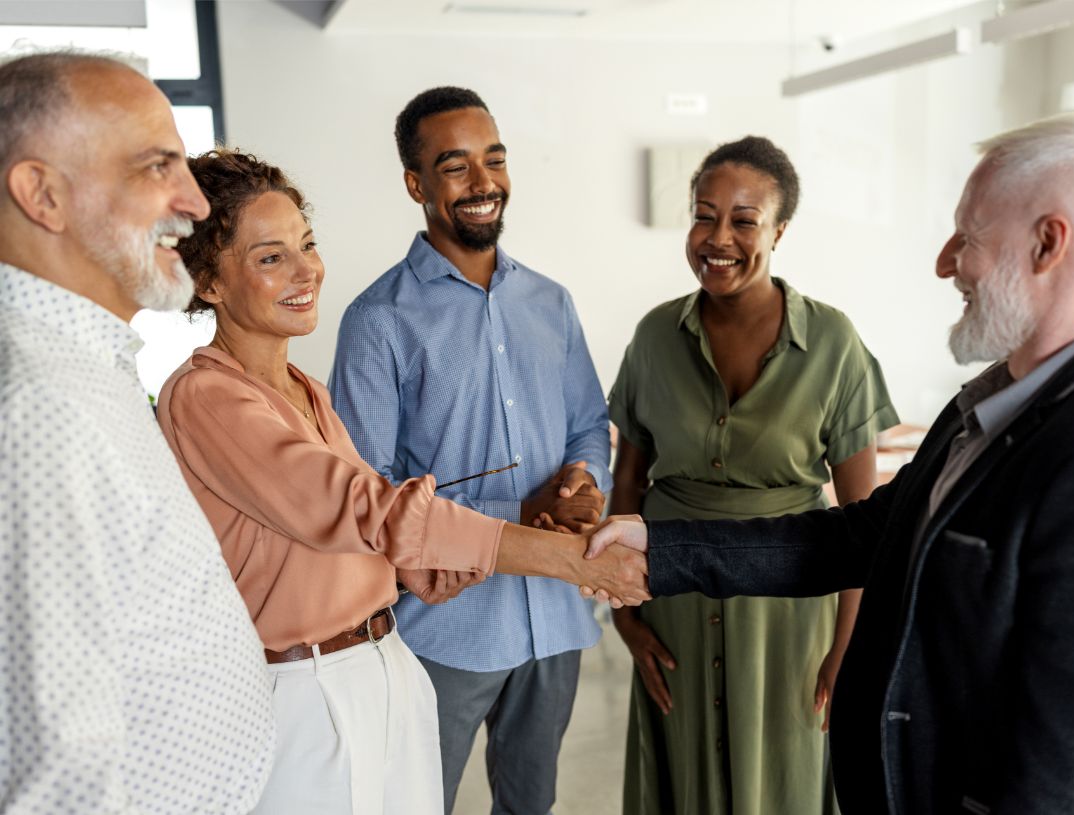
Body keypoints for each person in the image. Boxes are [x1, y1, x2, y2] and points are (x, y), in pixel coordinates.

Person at [585, 113, 1074, 815]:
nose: (945, 262)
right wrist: (660, 546)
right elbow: (854, 536)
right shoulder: (998, 401)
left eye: (967, 236)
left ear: (1046, 243)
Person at [155, 148, 647, 814]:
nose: (307, 271)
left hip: (383, 663)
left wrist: (405, 571)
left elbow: (355, 533)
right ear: (208, 281)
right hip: (306, 689)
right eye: (272, 258)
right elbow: (367, 505)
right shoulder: (207, 396)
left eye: (307, 244)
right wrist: (566, 559)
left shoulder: (306, 390)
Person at [0, 52, 276, 812]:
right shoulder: (39, 407)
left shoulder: (87, 365)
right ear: (43, 194)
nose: (192, 202)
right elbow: (55, 776)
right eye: (159, 167)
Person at [328, 87, 612, 814]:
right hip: (441, 628)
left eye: (494, 159)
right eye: (456, 167)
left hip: (553, 615)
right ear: (416, 184)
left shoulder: (551, 302)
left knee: (532, 804)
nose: (484, 182)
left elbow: (588, 422)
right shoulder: (378, 320)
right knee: (420, 802)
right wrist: (520, 509)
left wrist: (584, 480)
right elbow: (369, 491)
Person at [607, 135, 897, 815]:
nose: (719, 237)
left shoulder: (832, 342)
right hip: (671, 604)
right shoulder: (654, 336)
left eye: (744, 220)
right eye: (704, 215)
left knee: (785, 783)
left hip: (790, 619)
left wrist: (845, 649)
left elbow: (865, 523)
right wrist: (625, 618)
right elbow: (627, 488)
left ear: (779, 230)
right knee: (677, 779)